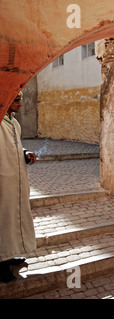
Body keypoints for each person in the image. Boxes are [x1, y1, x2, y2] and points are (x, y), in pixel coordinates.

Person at [0, 91, 37, 283]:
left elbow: (12, 146)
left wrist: (25, 153)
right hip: (3, 182)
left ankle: (10, 254)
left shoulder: (14, 123)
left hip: (15, 182)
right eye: (16, 100)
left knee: (13, 219)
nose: (21, 104)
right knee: (3, 221)